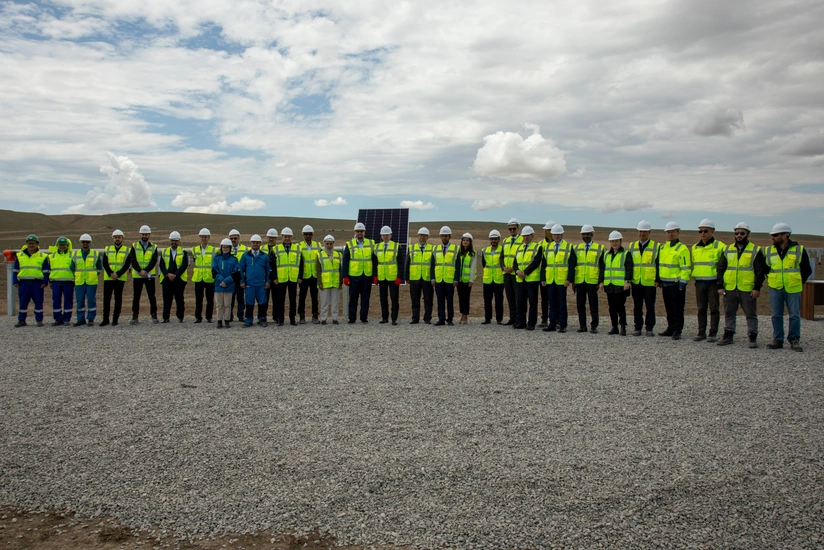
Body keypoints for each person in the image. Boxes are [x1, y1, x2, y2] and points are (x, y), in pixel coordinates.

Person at [716, 222, 767, 348]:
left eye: (742, 233)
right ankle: (728, 335)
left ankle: (752, 337)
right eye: (737, 233)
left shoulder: (755, 250)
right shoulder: (727, 249)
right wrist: (720, 285)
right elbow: (721, 268)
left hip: (747, 288)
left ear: (747, 234)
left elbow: (760, 271)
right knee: (729, 312)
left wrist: (757, 287)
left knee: (750, 314)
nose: (739, 235)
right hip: (730, 287)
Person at [764, 222, 812, 352]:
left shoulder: (798, 249)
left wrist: (797, 281)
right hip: (775, 287)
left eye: (775, 235)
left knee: (794, 315)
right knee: (776, 315)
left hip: (793, 287)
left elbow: (806, 269)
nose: (772, 237)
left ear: (785, 236)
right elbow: (765, 268)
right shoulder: (769, 250)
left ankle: (794, 339)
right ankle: (777, 339)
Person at [691, 219, 725, 342]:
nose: (703, 233)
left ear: (712, 231)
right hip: (699, 282)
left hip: (713, 283)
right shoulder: (695, 247)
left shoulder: (720, 246)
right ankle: (701, 332)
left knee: (714, 308)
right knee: (701, 308)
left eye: (706, 231)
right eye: (700, 231)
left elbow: (722, 266)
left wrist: (721, 283)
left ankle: (713, 333)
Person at [657, 221, 691, 340]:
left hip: (676, 284)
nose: (670, 234)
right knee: (669, 308)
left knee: (677, 308)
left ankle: (677, 330)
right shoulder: (663, 247)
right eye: (668, 232)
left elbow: (685, 268)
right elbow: (660, 265)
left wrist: (683, 282)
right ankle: (670, 328)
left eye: (673, 232)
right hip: (665, 284)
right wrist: (659, 280)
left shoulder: (682, 249)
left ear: (677, 232)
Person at [627, 220, 659, 336]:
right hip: (636, 281)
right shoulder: (632, 246)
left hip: (650, 282)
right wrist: (629, 279)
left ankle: (649, 328)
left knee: (650, 306)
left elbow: (658, 264)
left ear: (649, 232)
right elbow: (629, 264)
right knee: (637, 306)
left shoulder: (656, 246)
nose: (642, 234)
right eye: (640, 231)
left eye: (644, 232)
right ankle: (638, 327)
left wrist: (657, 279)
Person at [541, 225, 575, 333]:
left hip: (562, 281)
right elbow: (544, 264)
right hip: (550, 280)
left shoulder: (568, 247)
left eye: (558, 234)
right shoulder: (548, 247)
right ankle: (552, 323)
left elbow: (572, 265)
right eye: (554, 234)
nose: (556, 236)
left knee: (561, 303)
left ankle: (562, 324)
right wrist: (543, 278)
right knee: (552, 303)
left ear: (562, 235)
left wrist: (569, 279)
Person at [599, 231, 633, 335]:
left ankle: (623, 326)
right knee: (611, 307)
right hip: (609, 285)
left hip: (620, 286)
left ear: (620, 241)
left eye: (616, 241)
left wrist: (627, 281)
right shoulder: (606, 255)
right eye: (612, 241)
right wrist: (601, 282)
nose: (614, 243)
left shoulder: (626, 253)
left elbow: (629, 268)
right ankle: (614, 326)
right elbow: (602, 269)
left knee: (620, 306)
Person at [342, 222, 376, 323]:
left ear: (364, 232)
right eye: (358, 231)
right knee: (353, 298)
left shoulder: (371, 243)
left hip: (367, 276)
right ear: (355, 232)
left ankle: (363, 318)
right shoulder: (349, 244)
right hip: (354, 276)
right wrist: (345, 276)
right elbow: (345, 261)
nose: (359, 233)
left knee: (365, 299)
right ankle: (352, 318)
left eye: (361, 231)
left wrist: (375, 275)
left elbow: (374, 260)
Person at [573, 224, 604, 333]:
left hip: (592, 281)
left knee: (593, 305)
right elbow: (573, 265)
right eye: (584, 234)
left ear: (592, 234)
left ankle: (594, 326)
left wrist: (600, 281)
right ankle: (582, 325)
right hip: (580, 280)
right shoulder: (576, 248)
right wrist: (573, 281)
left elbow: (601, 266)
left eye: (587, 234)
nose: (585, 236)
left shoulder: (599, 248)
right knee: (580, 304)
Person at [13, 235, 50, 327]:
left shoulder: (43, 256)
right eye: (29, 243)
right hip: (23, 282)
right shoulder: (20, 256)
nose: (31, 245)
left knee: (38, 302)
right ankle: (21, 320)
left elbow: (46, 271)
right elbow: (15, 270)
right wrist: (15, 281)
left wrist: (45, 282)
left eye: (33, 243)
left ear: (37, 244)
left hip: (37, 283)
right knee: (23, 302)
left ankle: (39, 320)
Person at [127, 225, 159, 324]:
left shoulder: (154, 247)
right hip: (138, 275)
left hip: (149, 275)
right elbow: (133, 260)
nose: (144, 236)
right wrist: (140, 270)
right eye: (143, 234)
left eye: (146, 234)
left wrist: (146, 271)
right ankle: (135, 316)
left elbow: (154, 261)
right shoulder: (134, 246)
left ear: (149, 235)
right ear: (140, 234)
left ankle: (154, 315)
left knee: (152, 296)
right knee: (136, 296)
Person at [239, 234, 271, 327]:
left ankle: (262, 319)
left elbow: (268, 270)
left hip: (261, 284)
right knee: (249, 301)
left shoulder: (264, 256)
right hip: (249, 284)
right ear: (251, 243)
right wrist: (242, 281)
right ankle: (248, 320)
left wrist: (268, 281)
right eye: (253, 242)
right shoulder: (245, 256)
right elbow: (240, 269)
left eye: (257, 242)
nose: (255, 244)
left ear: (260, 244)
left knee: (262, 302)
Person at [100, 229, 130, 326]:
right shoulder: (107, 249)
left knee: (118, 299)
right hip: (108, 278)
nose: (117, 239)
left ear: (122, 239)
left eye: (119, 237)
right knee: (107, 299)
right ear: (113, 239)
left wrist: (118, 274)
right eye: (116, 237)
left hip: (120, 278)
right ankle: (105, 319)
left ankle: (115, 319)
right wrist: (110, 273)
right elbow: (105, 263)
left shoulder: (127, 250)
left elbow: (127, 264)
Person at [272, 227, 301, 326]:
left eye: (289, 236)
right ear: (282, 237)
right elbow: (273, 265)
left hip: (293, 278)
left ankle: (292, 319)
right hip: (281, 279)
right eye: (285, 236)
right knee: (280, 300)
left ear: (291, 237)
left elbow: (301, 264)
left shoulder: (297, 248)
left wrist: (300, 277)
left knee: (293, 300)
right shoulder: (276, 249)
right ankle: (281, 319)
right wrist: (274, 278)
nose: (287, 238)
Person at [72, 234, 102, 326]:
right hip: (80, 281)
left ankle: (90, 319)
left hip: (91, 282)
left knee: (91, 300)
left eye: (87, 242)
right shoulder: (75, 254)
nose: (85, 244)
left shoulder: (95, 254)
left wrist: (92, 275)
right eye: (83, 242)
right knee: (80, 301)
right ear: (81, 243)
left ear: (90, 243)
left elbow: (99, 268)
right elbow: (72, 268)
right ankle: (80, 319)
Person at [514, 226, 541, 330]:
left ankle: (531, 323)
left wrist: (525, 272)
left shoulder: (537, 247)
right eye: (524, 236)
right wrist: (517, 271)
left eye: (527, 235)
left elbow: (536, 262)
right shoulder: (519, 248)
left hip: (531, 280)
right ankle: (521, 322)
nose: (525, 238)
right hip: (520, 280)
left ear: (532, 236)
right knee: (520, 302)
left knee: (532, 303)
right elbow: (515, 262)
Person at [406, 227, 434, 324]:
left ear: (427, 237)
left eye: (424, 235)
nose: (422, 237)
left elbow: (434, 264)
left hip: (427, 278)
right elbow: (407, 263)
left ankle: (427, 318)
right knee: (415, 299)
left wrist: (433, 278)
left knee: (428, 300)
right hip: (414, 278)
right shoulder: (411, 248)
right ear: (418, 236)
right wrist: (407, 277)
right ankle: (415, 318)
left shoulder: (432, 248)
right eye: (420, 235)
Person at [375, 225, 403, 325]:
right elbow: (375, 262)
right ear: (381, 236)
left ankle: (394, 318)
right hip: (382, 277)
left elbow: (400, 263)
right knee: (383, 298)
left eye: (387, 235)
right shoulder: (377, 247)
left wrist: (399, 277)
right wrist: (375, 275)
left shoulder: (396, 246)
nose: (385, 236)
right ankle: (384, 317)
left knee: (394, 298)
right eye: (383, 235)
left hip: (393, 277)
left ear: (391, 235)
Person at [432, 226, 459, 325]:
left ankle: (450, 319)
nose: (444, 238)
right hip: (439, 279)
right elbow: (432, 265)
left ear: (450, 236)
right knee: (440, 301)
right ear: (440, 236)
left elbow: (457, 265)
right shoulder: (435, 249)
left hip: (450, 280)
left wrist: (456, 279)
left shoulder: (455, 249)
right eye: (442, 236)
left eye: (446, 236)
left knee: (450, 301)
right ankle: (441, 319)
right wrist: (432, 278)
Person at [159, 231, 188, 323]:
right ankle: (166, 317)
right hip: (167, 280)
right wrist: (167, 274)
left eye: (175, 240)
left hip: (179, 280)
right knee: (167, 299)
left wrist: (176, 274)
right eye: (172, 240)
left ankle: (180, 317)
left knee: (179, 299)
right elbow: (161, 265)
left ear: (179, 241)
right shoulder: (164, 252)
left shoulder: (183, 252)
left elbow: (184, 264)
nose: (173, 242)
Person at [297, 225, 322, 324]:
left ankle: (315, 316)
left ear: (312, 235)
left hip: (314, 276)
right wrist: (299, 276)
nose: (308, 236)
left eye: (310, 234)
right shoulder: (298, 246)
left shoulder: (318, 245)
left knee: (314, 297)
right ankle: (302, 316)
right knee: (302, 297)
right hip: (303, 276)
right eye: (306, 234)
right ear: (303, 235)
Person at [212, 238, 239, 328]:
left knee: (228, 304)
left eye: (227, 247)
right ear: (221, 248)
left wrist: (226, 281)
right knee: (219, 305)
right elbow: (214, 271)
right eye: (224, 247)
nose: (225, 249)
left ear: (230, 248)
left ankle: (227, 320)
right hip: (219, 285)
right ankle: (219, 321)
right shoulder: (216, 259)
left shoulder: (234, 260)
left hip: (229, 285)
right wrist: (221, 280)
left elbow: (235, 273)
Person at [191, 228, 215, 324]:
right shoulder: (194, 250)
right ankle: (198, 317)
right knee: (198, 299)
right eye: (202, 237)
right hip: (198, 278)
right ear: (200, 237)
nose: (204, 238)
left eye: (206, 237)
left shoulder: (214, 250)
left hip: (209, 278)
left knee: (210, 299)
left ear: (209, 238)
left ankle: (209, 317)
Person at [316, 234, 342, 324]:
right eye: (327, 244)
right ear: (324, 244)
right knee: (324, 302)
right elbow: (318, 270)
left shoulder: (338, 255)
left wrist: (340, 282)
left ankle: (335, 318)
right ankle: (323, 318)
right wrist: (319, 282)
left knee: (335, 302)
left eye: (331, 244)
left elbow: (340, 269)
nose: (329, 246)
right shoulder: (320, 255)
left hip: (335, 282)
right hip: (324, 283)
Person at [481, 229, 505, 325]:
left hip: (498, 279)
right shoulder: (485, 251)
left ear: (499, 239)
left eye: (495, 239)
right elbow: (484, 264)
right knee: (487, 300)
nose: (493, 241)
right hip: (487, 279)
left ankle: (499, 319)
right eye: (491, 239)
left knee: (499, 301)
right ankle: (488, 318)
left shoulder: (502, 250)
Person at [501, 218, 523, 325]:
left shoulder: (522, 240)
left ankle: (519, 318)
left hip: (516, 274)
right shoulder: (505, 241)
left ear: (518, 228)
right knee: (509, 297)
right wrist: (503, 267)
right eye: (510, 229)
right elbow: (502, 257)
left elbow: (521, 257)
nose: (512, 231)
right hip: (506, 274)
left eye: (514, 228)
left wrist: (513, 268)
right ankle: (512, 317)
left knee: (518, 297)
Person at [49, 237, 74, 326]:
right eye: (60, 245)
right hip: (56, 282)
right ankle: (57, 319)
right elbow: (49, 269)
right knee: (56, 301)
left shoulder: (72, 255)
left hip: (68, 282)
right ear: (57, 245)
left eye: (64, 245)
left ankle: (67, 319)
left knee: (68, 301)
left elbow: (75, 269)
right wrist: (50, 281)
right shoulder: (52, 256)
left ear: (67, 246)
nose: (62, 246)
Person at [537, 220, 556, 327]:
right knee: (544, 299)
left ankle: (556, 319)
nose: (545, 232)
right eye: (545, 230)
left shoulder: (559, 243)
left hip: (556, 276)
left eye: (547, 230)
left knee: (555, 299)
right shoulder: (541, 244)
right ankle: (544, 319)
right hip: (544, 275)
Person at [228, 229, 249, 322]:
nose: (233, 240)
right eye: (231, 238)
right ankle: (230, 316)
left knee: (240, 298)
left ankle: (241, 315)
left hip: (241, 277)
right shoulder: (226, 249)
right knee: (230, 298)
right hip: (231, 277)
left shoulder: (246, 249)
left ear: (239, 238)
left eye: (235, 238)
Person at [456, 232, 477, 324]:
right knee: (460, 297)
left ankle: (465, 315)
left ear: (470, 242)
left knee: (466, 297)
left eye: (467, 241)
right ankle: (462, 314)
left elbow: (473, 267)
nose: (465, 242)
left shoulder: (473, 253)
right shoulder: (458, 252)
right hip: (459, 280)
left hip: (467, 280)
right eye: (464, 240)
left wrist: (471, 280)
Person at [262, 228, 281, 324]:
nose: (271, 239)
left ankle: (276, 317)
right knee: (264, 298)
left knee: (276, 298)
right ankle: (263, 317)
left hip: (276, 278)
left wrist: (275, 277)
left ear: (276, 239)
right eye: (270, 237)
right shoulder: (262, 249)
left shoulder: (279, 249)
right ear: (267, 237)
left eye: (273, 238)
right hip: (265, 278)